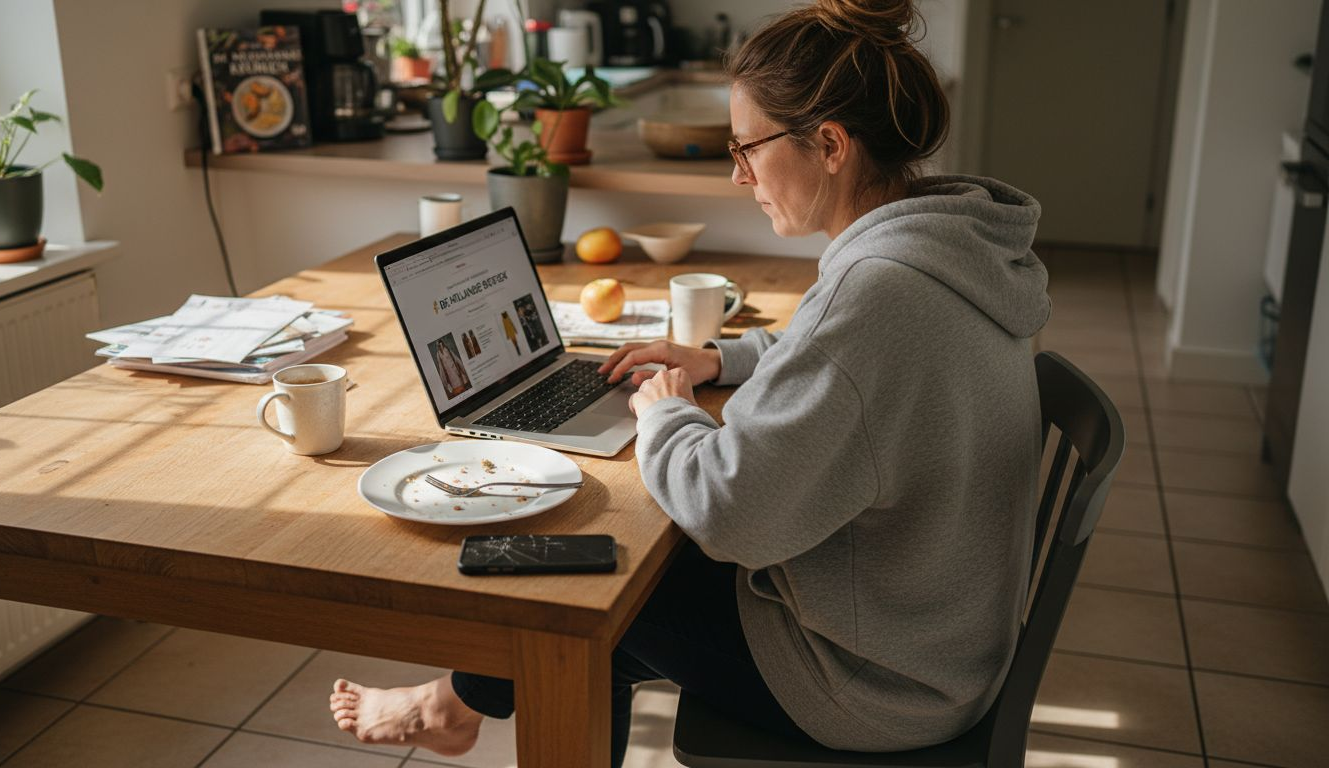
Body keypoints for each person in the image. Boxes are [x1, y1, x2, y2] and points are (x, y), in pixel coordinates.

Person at [328, 0, 1050, 763]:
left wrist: (668, 413)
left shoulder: (872, 296)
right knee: (614, 567)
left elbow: (729, 513)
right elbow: (848, 360)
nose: (739, 176)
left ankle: (453, 705)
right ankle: (459, 702)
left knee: (577, 577)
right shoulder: (944, 249)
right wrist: (720, 361)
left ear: (831, 144)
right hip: (930, 638)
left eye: (748, 149)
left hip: (874, 683)